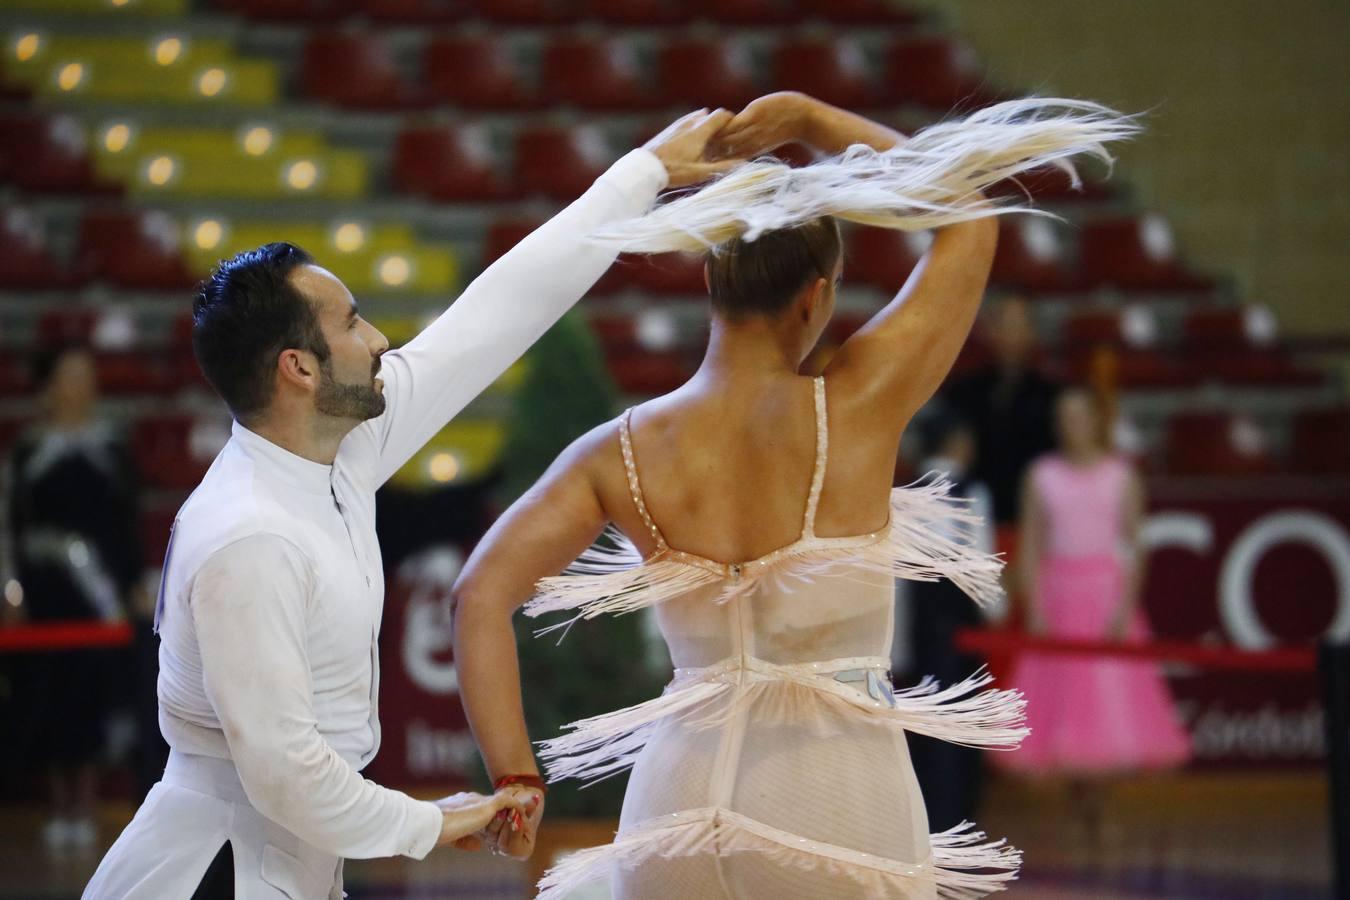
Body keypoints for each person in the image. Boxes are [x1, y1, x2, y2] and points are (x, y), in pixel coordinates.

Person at [451, 91, 1137, 898]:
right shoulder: (856, 402)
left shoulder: (619, 448)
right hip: (836, 798)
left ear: (712, 276)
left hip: (675, 803)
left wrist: (517, 780)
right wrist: (816, 124)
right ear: (816, 296)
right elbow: (968, 216)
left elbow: (478, 597)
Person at [84, 107, 736, 899]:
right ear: (299, 368)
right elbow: (286, 777)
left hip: (280, 859)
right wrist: (435, 823)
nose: (381, 341)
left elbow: (496, 315)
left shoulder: (340, 449)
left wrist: (647, 172)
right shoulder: (247, 537)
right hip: (212, 870)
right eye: (354, 322)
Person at [995, 385, 1191, 833]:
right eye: (1063, 417)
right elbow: (1031, 544)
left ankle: (1098, 802)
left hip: (1104, 594)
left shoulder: (1121, 475)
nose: (1071, 425)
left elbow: (1135, 546)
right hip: (1059, 593)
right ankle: (1079, 798)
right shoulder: (1041, 474)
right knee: (1063, 705)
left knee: (1107, 704)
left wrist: (1125, 606)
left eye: (1079, 416)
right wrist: (1035, 604)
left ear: (1095, 421)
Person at [5, 345, 143, 853]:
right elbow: (14, 526)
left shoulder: (111, 446)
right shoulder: (29, 450)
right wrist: (12, 591)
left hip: (99, 592)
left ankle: (84, 802)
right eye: (69, 376)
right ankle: (56, 803)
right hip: (47, 592)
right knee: (49, 693)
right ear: (48, 386)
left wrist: (132, 582)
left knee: (91, 693)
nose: (80, 386)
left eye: (87, 376)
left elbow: (127, 520)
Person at [903, 410, 1001, 834]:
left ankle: (924, 814)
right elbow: (978, 561)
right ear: (959, 442)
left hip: (916, 619)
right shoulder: (970, 491)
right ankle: (956, 814)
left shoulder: (901, 492)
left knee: (921, 715)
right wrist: (995, 611)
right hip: (958, 622)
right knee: (958, 716)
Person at [944, 296, 1061, 525]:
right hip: (972, 520)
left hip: (1035, 521)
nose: (1011, 336)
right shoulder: (962, 392)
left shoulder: (1053, 397)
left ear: (1033, 333)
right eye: (1004, 326)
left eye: (1019, 327)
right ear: (989, 331)